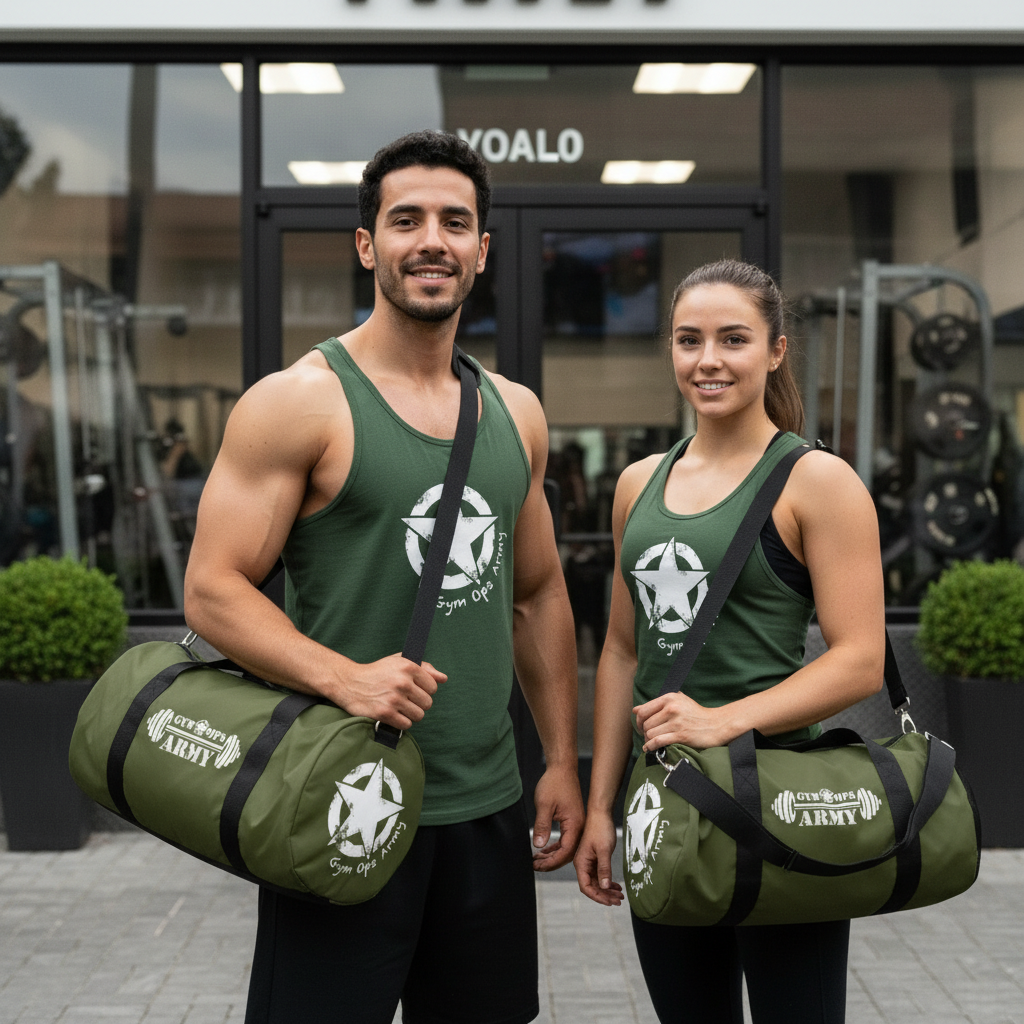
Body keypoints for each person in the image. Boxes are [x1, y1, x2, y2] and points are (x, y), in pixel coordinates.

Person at [184, 130, 584, 1024]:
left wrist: (560, 757)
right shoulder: (299, 401)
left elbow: (537, 591)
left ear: (483, 248)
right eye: (406, 220)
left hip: (486, 809)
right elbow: (212, 589)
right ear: (368, 245)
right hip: (339, 796)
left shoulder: (515, 412)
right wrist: (344, 677)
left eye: (455, 221)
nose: (430, 240)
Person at [572, 259, 886, 1023]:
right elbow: (620, 650)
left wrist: (722, 719)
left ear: (776, 350)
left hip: (778, 804)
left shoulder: (818, 481)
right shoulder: (637, 483)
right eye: (689, 340)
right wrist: (601, 805)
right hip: (667, 807)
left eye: (733, 339)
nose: (707, 360)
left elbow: (861, 660)